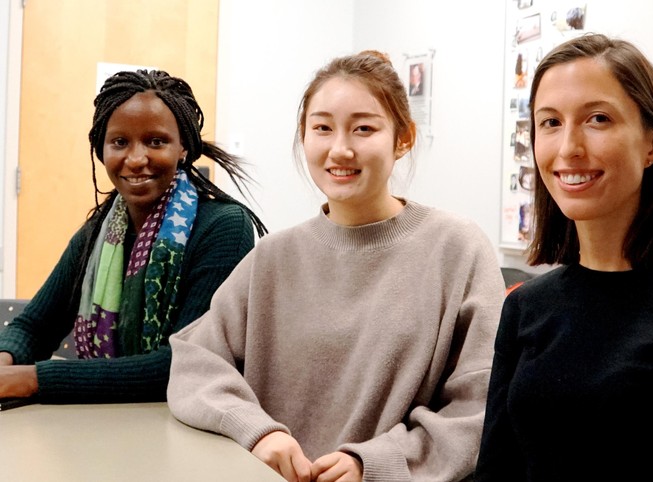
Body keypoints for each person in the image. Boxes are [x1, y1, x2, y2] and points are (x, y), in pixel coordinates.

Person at [167, 51, 504, 482]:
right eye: (322, 128)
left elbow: (481, 405)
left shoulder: (456, 248)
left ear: (404, 138)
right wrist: (258, 433)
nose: (339, 149)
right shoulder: (273, 258)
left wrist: (376, 462)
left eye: (364, 128)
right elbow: (195, 361)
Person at [476, 34, 653, 481]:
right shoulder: (526, 307)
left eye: (597, 119)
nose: (568, 148)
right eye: (549, 122)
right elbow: (496, 469)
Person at [0, 69, 266, 404]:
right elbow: (33, 326)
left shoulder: (224, 228)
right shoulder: (99, 231)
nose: (136, 159)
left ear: (183, 147)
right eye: (120, 142)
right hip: (105, 424)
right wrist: (5, 362)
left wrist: (32, 379)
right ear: (102, 150)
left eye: (156, 141)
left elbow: (182, 363)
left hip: (186, 428)